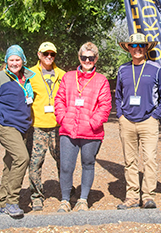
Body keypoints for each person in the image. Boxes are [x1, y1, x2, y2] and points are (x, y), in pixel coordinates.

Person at [115, 33, 161, 209]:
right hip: (127, 122)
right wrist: (121, 115)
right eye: (134, 46)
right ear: (129, 49)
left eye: (141, 46)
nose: (137, 49)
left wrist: (155, 116)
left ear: (146, 48)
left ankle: (148, 196)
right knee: (129, 160)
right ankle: (131, 196)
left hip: (148, 121)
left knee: (149, 159)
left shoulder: (156, 68)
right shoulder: (123, 69)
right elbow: (118, 95)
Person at [54, 42, 112, 212]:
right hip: (68, 130)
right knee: (66, 166)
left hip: (91, 133)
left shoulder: (101, 80)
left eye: (91, 58)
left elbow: (105, 106)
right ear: (79, 57)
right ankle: (65, 199)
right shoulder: (68, 77)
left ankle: (83, 199)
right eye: (84, 57)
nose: (87, 60)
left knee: (88, 164)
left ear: (96, 59)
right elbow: (59, 99)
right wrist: (63, 119)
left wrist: (92, 123)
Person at [0, 45, 35, 217]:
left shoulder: (26, 78)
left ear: (23, 60)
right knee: (22, 158)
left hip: (22, 126)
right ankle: (12, 201)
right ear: (6, 61)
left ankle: (3, 202)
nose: (14, 63)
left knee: (10, 162)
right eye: (11, 60)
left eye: (17, 59)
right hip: (4, 124)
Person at [28, 41, 66, 211]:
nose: (49, 57)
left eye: (52, 54)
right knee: (35, 163)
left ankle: (65, 193)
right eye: (45, 54)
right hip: (37, 127)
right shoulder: (29, 74)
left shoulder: (62, 75)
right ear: (39, 55)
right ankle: (36, 196)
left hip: (58, 126)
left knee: (63, 162)